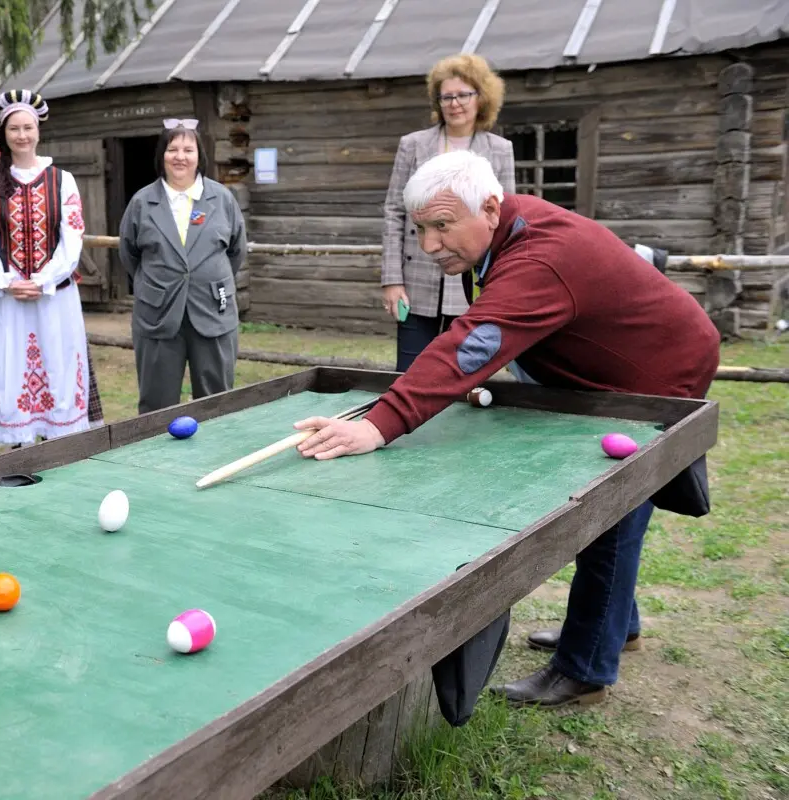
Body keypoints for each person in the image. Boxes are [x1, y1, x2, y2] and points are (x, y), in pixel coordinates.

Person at [292, 149, 720, 708]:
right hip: (610, 369)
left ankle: (587, 667)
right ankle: (617, 624)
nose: (429, 245)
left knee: (614, 510)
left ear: (490, 208)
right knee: (611, 511)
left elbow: (474, 342)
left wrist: (378, 424)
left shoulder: (540, 256)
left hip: (656, 374)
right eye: (420, 229)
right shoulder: (506, 229)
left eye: (441, 226)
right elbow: (510, 327)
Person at [0, 88, 104, 447]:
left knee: (57, 366)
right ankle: (18, 451)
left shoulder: (62, 180)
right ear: (4, 134)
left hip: (53, 297)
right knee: (10, 369)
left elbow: (72, 241)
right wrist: (7, 281)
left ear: (39, 131)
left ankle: (58, 451)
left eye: (28, 127)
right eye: (14, 129)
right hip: (4, 299)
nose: (22, 135)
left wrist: (44, 280)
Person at [381, 53, 516, 371]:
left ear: (481, 97)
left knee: (464, 372)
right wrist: (392, 280)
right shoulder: (412, 145)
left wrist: (500, 287)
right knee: (410, 371)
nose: (455, 104)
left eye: (463, 95)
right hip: (417, 281)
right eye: (447, 97)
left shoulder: (500, 149)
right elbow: (394, 212)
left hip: (474, 284)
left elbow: (505, 217)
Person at [118, 118, 247, 414]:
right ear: (161, 155)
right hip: (158, 314)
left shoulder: (222, 199)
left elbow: (236, 251)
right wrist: (161, 281)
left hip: (212, 310)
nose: (180, 157)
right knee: (156, 405)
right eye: (172, 149)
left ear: (199, 156)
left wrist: (205, 278)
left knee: (217, 402)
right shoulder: (142, 202)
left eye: (188, 150)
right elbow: (129, 254)